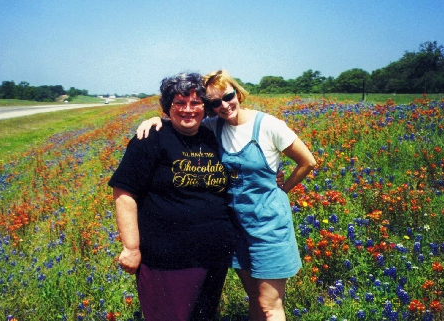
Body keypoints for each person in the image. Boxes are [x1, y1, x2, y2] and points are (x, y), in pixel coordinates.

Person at [136, 69, 317, 320]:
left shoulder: (269, 125)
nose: (223, 105)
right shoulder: (213, 126)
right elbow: (184, 119)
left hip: (268, 227)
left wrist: (281, 188)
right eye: (214, 102)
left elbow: (308, 161)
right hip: (235, 228)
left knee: (269, 304)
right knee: (254, 297)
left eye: (227, 96)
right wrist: (156, 121)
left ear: (237, 92)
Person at [108, 72, 235, 321]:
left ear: (205, 107)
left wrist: (274, 175)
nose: (188, 109)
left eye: (195, 102)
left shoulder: (213, 136)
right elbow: (124, 193)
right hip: (167, 258)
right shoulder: (150, 138)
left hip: (213, 254)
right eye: (179, 103)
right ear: (168, 107)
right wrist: (131, 247)